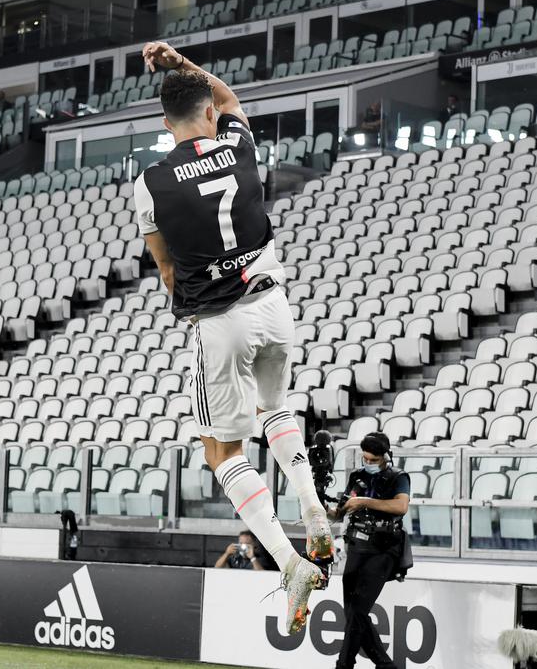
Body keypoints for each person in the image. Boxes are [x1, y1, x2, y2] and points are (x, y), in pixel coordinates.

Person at [135, 41, 332, 635]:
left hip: (220, 319)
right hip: (275, 304)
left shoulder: (152, 183)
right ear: (211, 114)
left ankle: (292, 561)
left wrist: (189, 302)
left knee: (219, 450)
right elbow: (228, 95)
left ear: (164, 123)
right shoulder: (238, 147)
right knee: (276, 409)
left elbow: (166, 269)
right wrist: (179, 63)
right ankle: (312, 503)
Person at [328, 432, 410, 669]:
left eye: (373, 460)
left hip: (384, 548)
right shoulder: (356, 475)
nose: (369, 464)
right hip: (357, 546)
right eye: (366, 459)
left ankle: (344, 664)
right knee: (354, 611)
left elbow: (401, 506)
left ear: (385, 457)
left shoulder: (398, 477)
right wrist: (324, 509)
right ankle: (385, 665)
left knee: (358, 610)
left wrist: (364, 501)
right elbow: (340, 512)